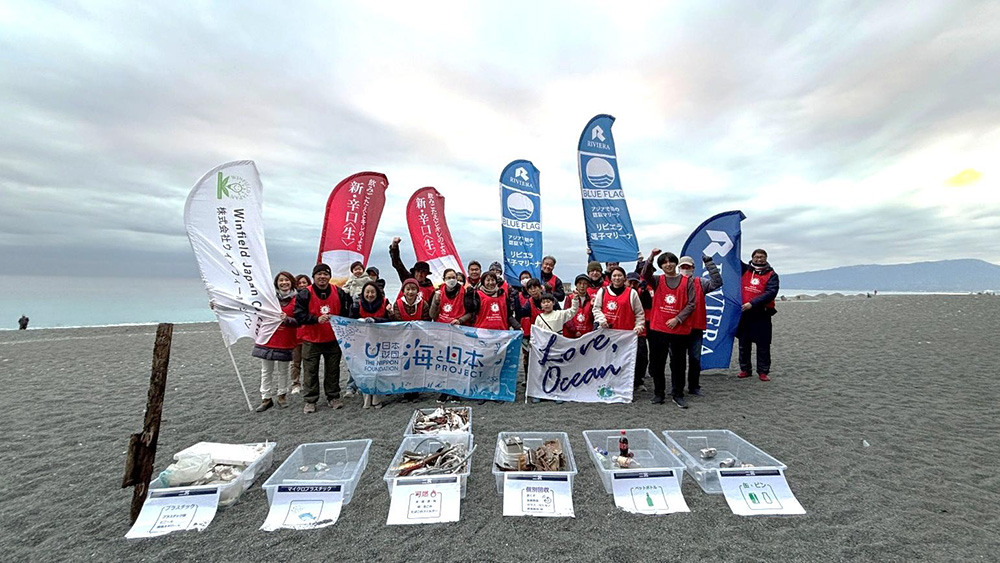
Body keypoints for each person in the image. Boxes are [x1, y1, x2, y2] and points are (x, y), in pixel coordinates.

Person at [294, 263, 352, 414]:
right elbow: (299, 315)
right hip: (311, 339)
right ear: (313, 277)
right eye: (319, 274)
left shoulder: (338, 292)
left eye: (325, 274)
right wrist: (315, 319)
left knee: (333, 370)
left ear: (329, 276)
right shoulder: (304, 294)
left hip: (333, 339)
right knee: (310, 371)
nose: (322, 277)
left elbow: (347, 312)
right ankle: (310, 400)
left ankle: (333, 397)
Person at [642, 249, 695, 409]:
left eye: (671, 261)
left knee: (678, 363)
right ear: (661, 266)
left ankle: (678, 394)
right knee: (658, 362)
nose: (668, 264)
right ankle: (659, 393)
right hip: (659, 328)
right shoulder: (658, 280)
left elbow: (691, 304)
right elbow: (644, 274)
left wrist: (677, 318)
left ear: (676, 263)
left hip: (679, 329)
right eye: (664, 262)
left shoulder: (687, 281)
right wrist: (651, 257)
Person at [251, 272, 299, 412]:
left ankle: (282, 395)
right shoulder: (269, 299)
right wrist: (219, 305)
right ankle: (266, 398)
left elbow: (300, 320)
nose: (284, 283)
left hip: (285, 339)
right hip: (267, 338)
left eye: (287, 280)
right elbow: (247, 305)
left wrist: (287, 319)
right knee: (266, 370)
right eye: (281, 280)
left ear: (291, 282)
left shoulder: (297, 299)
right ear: (276, 283)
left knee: (283, 370)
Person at [678, 255, 723, 396]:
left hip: (696, 327)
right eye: (683, 267)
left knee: (695, 359)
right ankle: (677, 387)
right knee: (677, 360)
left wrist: (709, 263)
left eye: (688, 267)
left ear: (693, 268)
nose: (686, 269)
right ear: (679, 268)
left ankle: (694, 386)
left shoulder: (701, 283)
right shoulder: (673, 282)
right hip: (677, 328)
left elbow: (717, 282)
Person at [737, 248, 779, 382]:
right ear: (752, 258)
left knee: (763, 344)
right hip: (744, 313)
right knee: (744, 343)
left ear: (766, 258)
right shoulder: (745, 270)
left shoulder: (772, 274)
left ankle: (763, 371)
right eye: (756, 257)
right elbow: (732, 259)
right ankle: (745, 369)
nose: (759, 259)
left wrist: (753, 303)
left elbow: (771, 292)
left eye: (761, 257)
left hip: (762, 313)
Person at [530, 292, 580, 403]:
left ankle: (557, 392)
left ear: (553, 303)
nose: (546, 304)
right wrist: (533, 343)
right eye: (543, 302)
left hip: (558, 345)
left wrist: (575, 300)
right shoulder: (539, 318)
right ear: (541, 305)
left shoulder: (559, 314)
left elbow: (572, 311)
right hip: (544, 347)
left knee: (557, 369)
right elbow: (536, 332)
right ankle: (540, 393)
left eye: (548, 302)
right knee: (542, 369)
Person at [429, 268, 470, 403]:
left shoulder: (465, 292)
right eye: (448, 277)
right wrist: (436, 300)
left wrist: (460, 320)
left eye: (454, 277)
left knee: (457, 363)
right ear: (444, 279)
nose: (451, 280)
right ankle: (444, 391)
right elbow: (432, 315)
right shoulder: (438, 292)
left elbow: (471, 312)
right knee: (442, 363)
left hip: (458, 331)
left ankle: (455, 392)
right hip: (442, 333)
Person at [350, 281, 391, 409]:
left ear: (377, 293)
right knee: (365, 368)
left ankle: (377, 397)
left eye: (372, 292)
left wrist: (375, 321)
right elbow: (350, 320)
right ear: (363, 293)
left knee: (378, 369)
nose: (370, 294)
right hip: (362, 342)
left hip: (380, 340)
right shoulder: (357, 303)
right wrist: (360, 321)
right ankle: (366, 396)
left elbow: (390, 321)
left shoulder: (385, 302)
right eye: (367, 292)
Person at [513, 278, 546, 375]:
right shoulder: (529, 302)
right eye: (530, 289)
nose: (533, 290)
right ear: (527, 291)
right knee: (528, 357)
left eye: (535, 288)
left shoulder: (549, 299)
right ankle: (529, 380)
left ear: (540, 288)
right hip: (535, 335)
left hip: (547, 334)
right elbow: (521, 314)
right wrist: (516, 300)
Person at [389, 236, 435, 302]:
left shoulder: (431, 289)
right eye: (418, 271)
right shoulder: (407, 279)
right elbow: (397, 263)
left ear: (426, 274)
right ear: (414, 272)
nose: (420, 274)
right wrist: (394, 247)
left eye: (423, 272)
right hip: (401, 311)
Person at [627, 272, 652, 391]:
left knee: (641, 356)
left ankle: (639, 381)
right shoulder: (622, 292)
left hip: (639, 329)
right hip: (624, 330)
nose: (632, 285)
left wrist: (645, 290)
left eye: (634, 283)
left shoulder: (642, 293)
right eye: (630, 282)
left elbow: (648, 304)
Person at [289, 274, 311, 395]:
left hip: (308, 334)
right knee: (295, 362)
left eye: (304, 282)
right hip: (296, 334)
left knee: (308, 362)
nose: (302, 285)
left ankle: (308, 383)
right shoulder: (292, 298)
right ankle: (295, 383)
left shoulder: (312, 296)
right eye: (299, 283)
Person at [562, 274, 595, 338]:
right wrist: (574, 331)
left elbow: (592, 318)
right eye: (580, 283)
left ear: (588, 285)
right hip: (571, 335)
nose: (582, 286)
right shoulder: (569, 298)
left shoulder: (592, 299)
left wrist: (592, 306)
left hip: (587, 336)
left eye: (585, 283)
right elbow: (566, 316)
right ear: (576, 285)